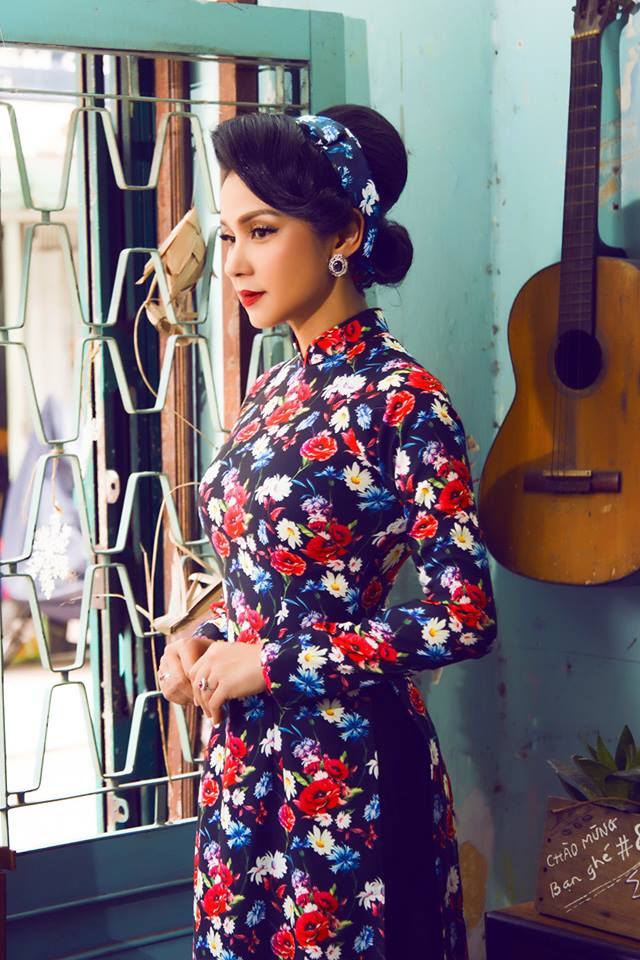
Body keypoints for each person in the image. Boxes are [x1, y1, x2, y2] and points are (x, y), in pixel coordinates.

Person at [158, 105, 497, 960]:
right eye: (228, 235)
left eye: (261, 231)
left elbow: (464, 617)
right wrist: (208, 640)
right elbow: (274, 580)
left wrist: (273, 661)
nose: (235, 263)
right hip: (246, 769)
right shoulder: (271, 391)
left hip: (352, 777)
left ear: (344, 231)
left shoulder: (405, 400)